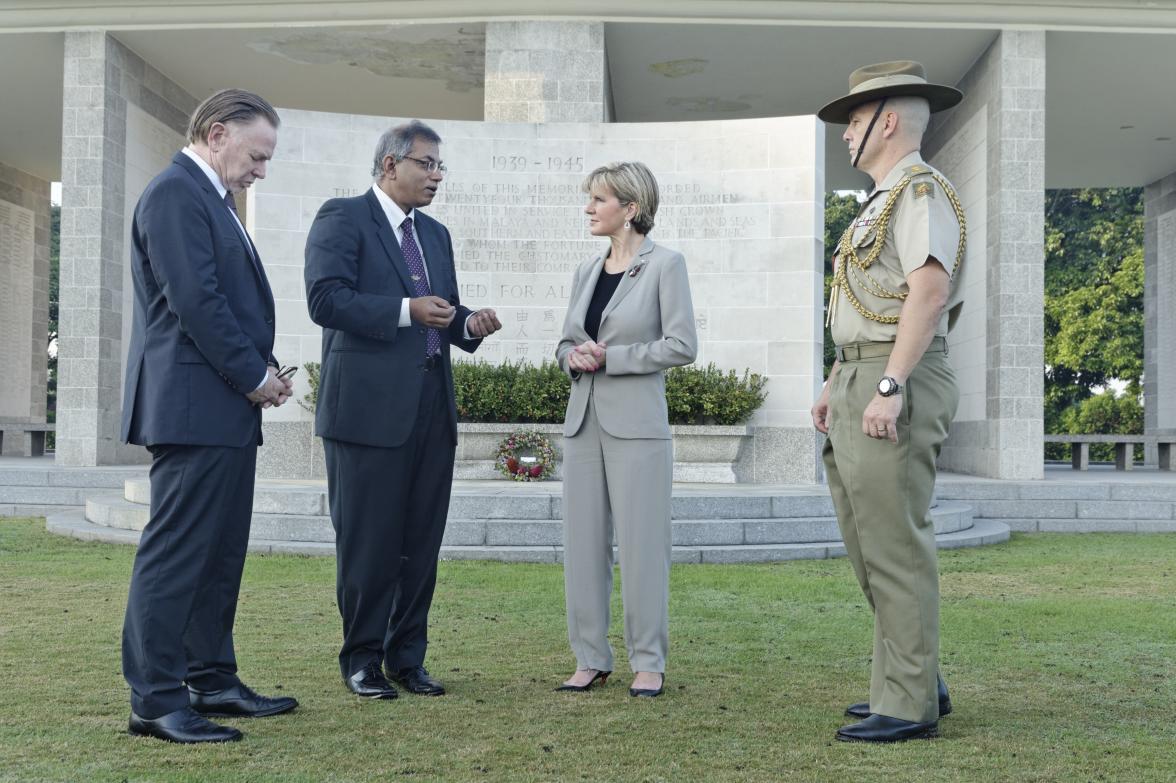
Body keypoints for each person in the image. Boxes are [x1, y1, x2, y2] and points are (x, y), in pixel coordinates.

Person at [120, 89, 297, 744]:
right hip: (196, 407)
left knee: (218, 555)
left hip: (220, 406)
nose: (261, 170)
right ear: (217, 133)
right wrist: (254, 376)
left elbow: (224, 302)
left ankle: (212, 678)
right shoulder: (174, 194)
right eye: (257, 154)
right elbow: (195, 300)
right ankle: (157, 699)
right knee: (176, 555)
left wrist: (262, 371)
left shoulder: (212, 201)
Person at [304, 120, 501, 701]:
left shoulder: (435, 235)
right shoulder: (342, 217)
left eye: (441, 167)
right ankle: (361, 660)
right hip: (364, 416)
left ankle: (407, 659)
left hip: (431, 411)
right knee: (369, 543)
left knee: (420, 543)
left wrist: (468, 323)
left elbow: (442, 309)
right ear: (391, 165)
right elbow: (325, 299)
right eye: (427, 164)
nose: (437, 176)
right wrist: (404, 310)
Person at [812, 61, 967, 743]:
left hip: (891, 375)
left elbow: (927, 293)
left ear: (889, 120)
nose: (845, 135)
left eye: (854, 120)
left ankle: (906, 702)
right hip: (857, 372)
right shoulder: (882, 197)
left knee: (895, 544)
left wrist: (889, 384)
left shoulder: (920, 192)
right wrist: (835, 381)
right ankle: (915, 671)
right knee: (867, 541)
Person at [555, 161, 698, 698]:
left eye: (599, 199)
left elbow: (682, 345)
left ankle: (648, 661)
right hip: (583, 422)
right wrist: (574, 356)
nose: (589, 209)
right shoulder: (585, 273)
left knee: (643, 546)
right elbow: (565, 345)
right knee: (583, 546)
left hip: (637, 427)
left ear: (631, 208)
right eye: (589, 199)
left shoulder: (667, 266)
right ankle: (590, 657)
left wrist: (613, 357)